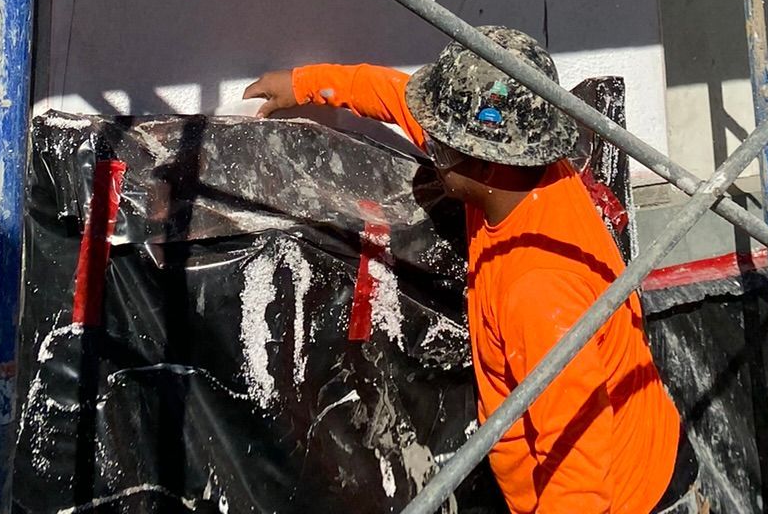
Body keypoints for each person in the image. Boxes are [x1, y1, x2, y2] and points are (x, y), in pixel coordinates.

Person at [244, 27, 708, 514]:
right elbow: (405, 100)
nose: (431, 148)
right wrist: (306, 83)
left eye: (441, 148)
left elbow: (576, 472)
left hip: (626, 500)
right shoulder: (520, 170)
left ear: (486, 166)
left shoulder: (538, 290)